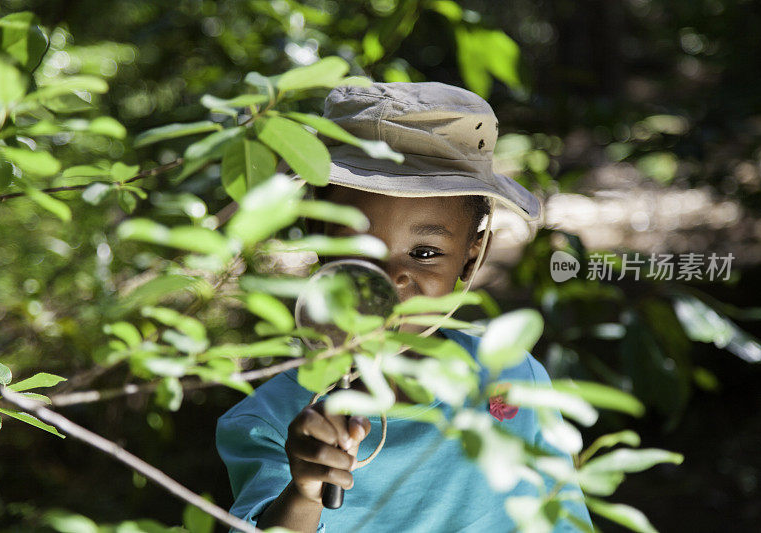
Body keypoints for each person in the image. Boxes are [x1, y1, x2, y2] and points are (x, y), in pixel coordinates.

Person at [216, 82, 593, 532]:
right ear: (319, 236)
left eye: (425, 253)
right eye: (359, 246)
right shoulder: (269, 422)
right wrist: (303, 492)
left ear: (472, 256)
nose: (391, 278)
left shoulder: (512, 377)